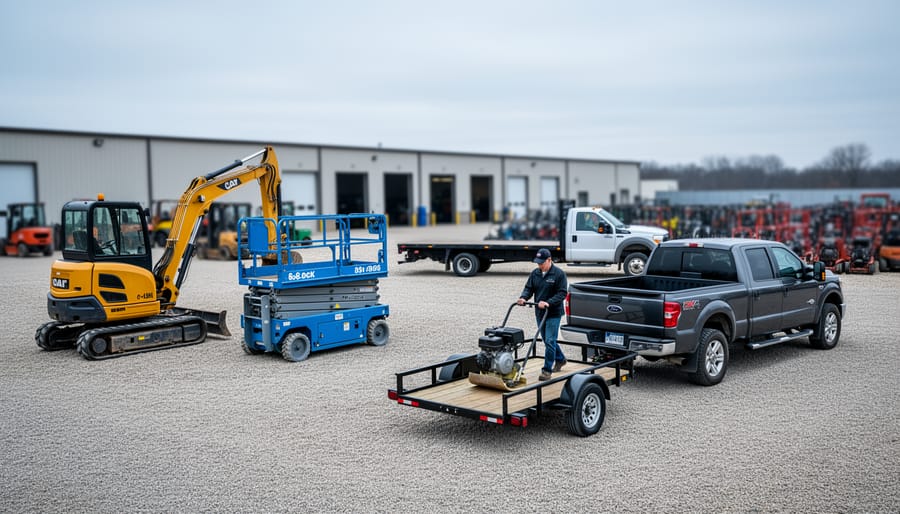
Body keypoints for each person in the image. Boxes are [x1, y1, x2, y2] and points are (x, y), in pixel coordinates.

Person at [517, 248, 568, 381]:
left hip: (553, 313)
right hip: (539, 312)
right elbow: (529, 288)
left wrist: (548, 302)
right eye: (538, 263)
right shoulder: (535, 273)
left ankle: (546, 370)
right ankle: (561, 359)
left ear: (549, 260)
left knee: (550, 340)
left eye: (541, 263)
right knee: (547, 340)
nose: (539, 265)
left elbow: (562, 293)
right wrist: (524, 298)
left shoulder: (559, 274)